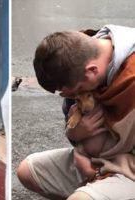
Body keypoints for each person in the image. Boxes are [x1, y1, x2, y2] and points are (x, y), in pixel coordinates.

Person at [17, 24, 135, 200]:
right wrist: (75, 133)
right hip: (99, 157)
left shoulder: (129, 77)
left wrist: (95, 172)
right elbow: (72, 116)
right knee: (27, 171)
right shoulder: (80, 53)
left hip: (126, 168)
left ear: (92, 71)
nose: (75, 96)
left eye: (78, 90)